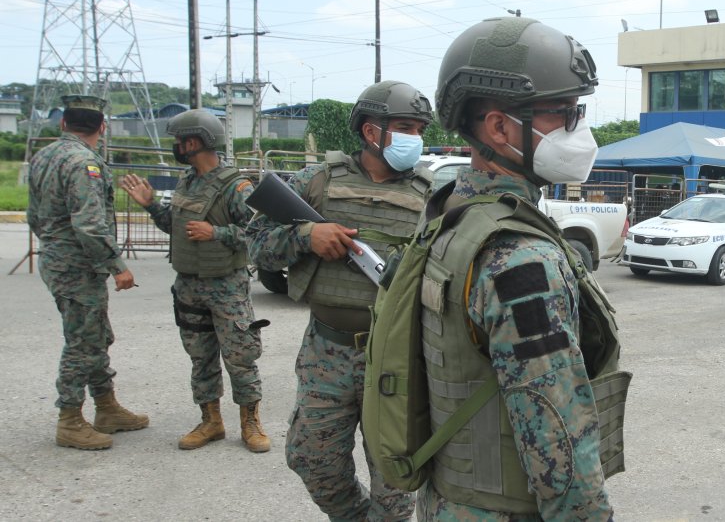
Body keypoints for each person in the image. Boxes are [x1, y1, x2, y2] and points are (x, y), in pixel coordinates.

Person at [418, 16, 620, 519]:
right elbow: (558, 442)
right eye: (565, 113)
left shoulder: (448, 214)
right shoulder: (523, 260)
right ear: (500, 127)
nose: (580, 130)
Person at [247, 81, 433, 520]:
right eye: (405, 127)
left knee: (396, 478)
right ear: (371, 131)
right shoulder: (317, 181)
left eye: (419, 129)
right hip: (326, 349)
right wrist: (306, 235)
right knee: (312, 459)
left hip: (397, 356)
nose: (415, 138)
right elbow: (254, 243)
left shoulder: (431, 195)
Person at [119, 109, 269, 453]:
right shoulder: (187, 181)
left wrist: (215, 232)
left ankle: (250, 423)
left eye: (179, 140)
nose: (176, 146)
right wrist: (151, 206)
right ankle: (210, 421)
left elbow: (260, 235)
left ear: (197, 141)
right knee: (200, 357)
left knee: (240, 357)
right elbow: (178, 228)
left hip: (226, 287)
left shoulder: (236, 186)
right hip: (189, 286)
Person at [27, 94, 148, 450]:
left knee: (95, 335)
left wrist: (55, 245)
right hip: (77, 266)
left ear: (63, 123)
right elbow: (90, 224)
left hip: (57, 259)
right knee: (83, 342)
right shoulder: (85, 163)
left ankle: (107, 407)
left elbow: (34, 216)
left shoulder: (44, 156)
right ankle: (69, 419)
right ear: (102, 127)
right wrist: (117, 266)